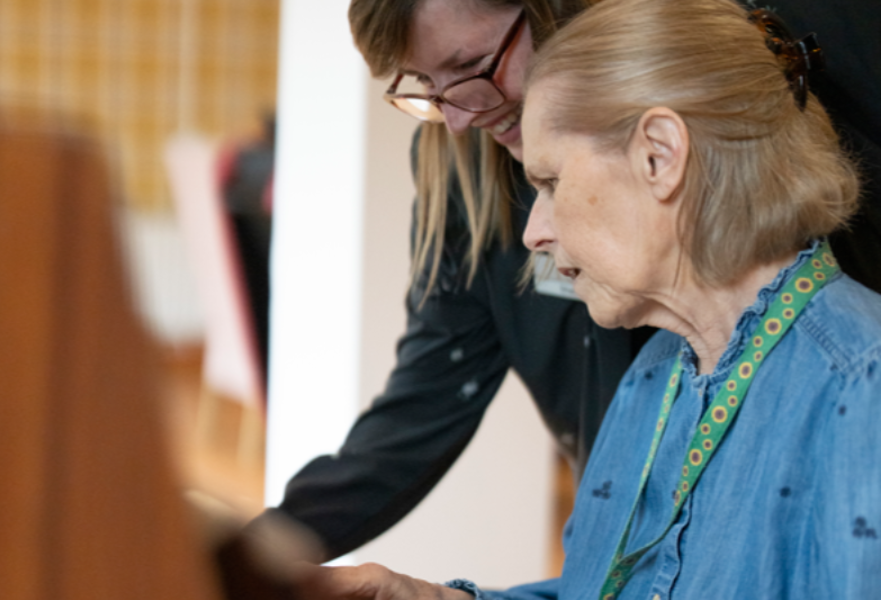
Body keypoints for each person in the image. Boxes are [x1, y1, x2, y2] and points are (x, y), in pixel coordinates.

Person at [286, 0, 881, 596]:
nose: (531, 233)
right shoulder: (652, 382)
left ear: (659, 155)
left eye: (551, 182)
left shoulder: (862, 392)